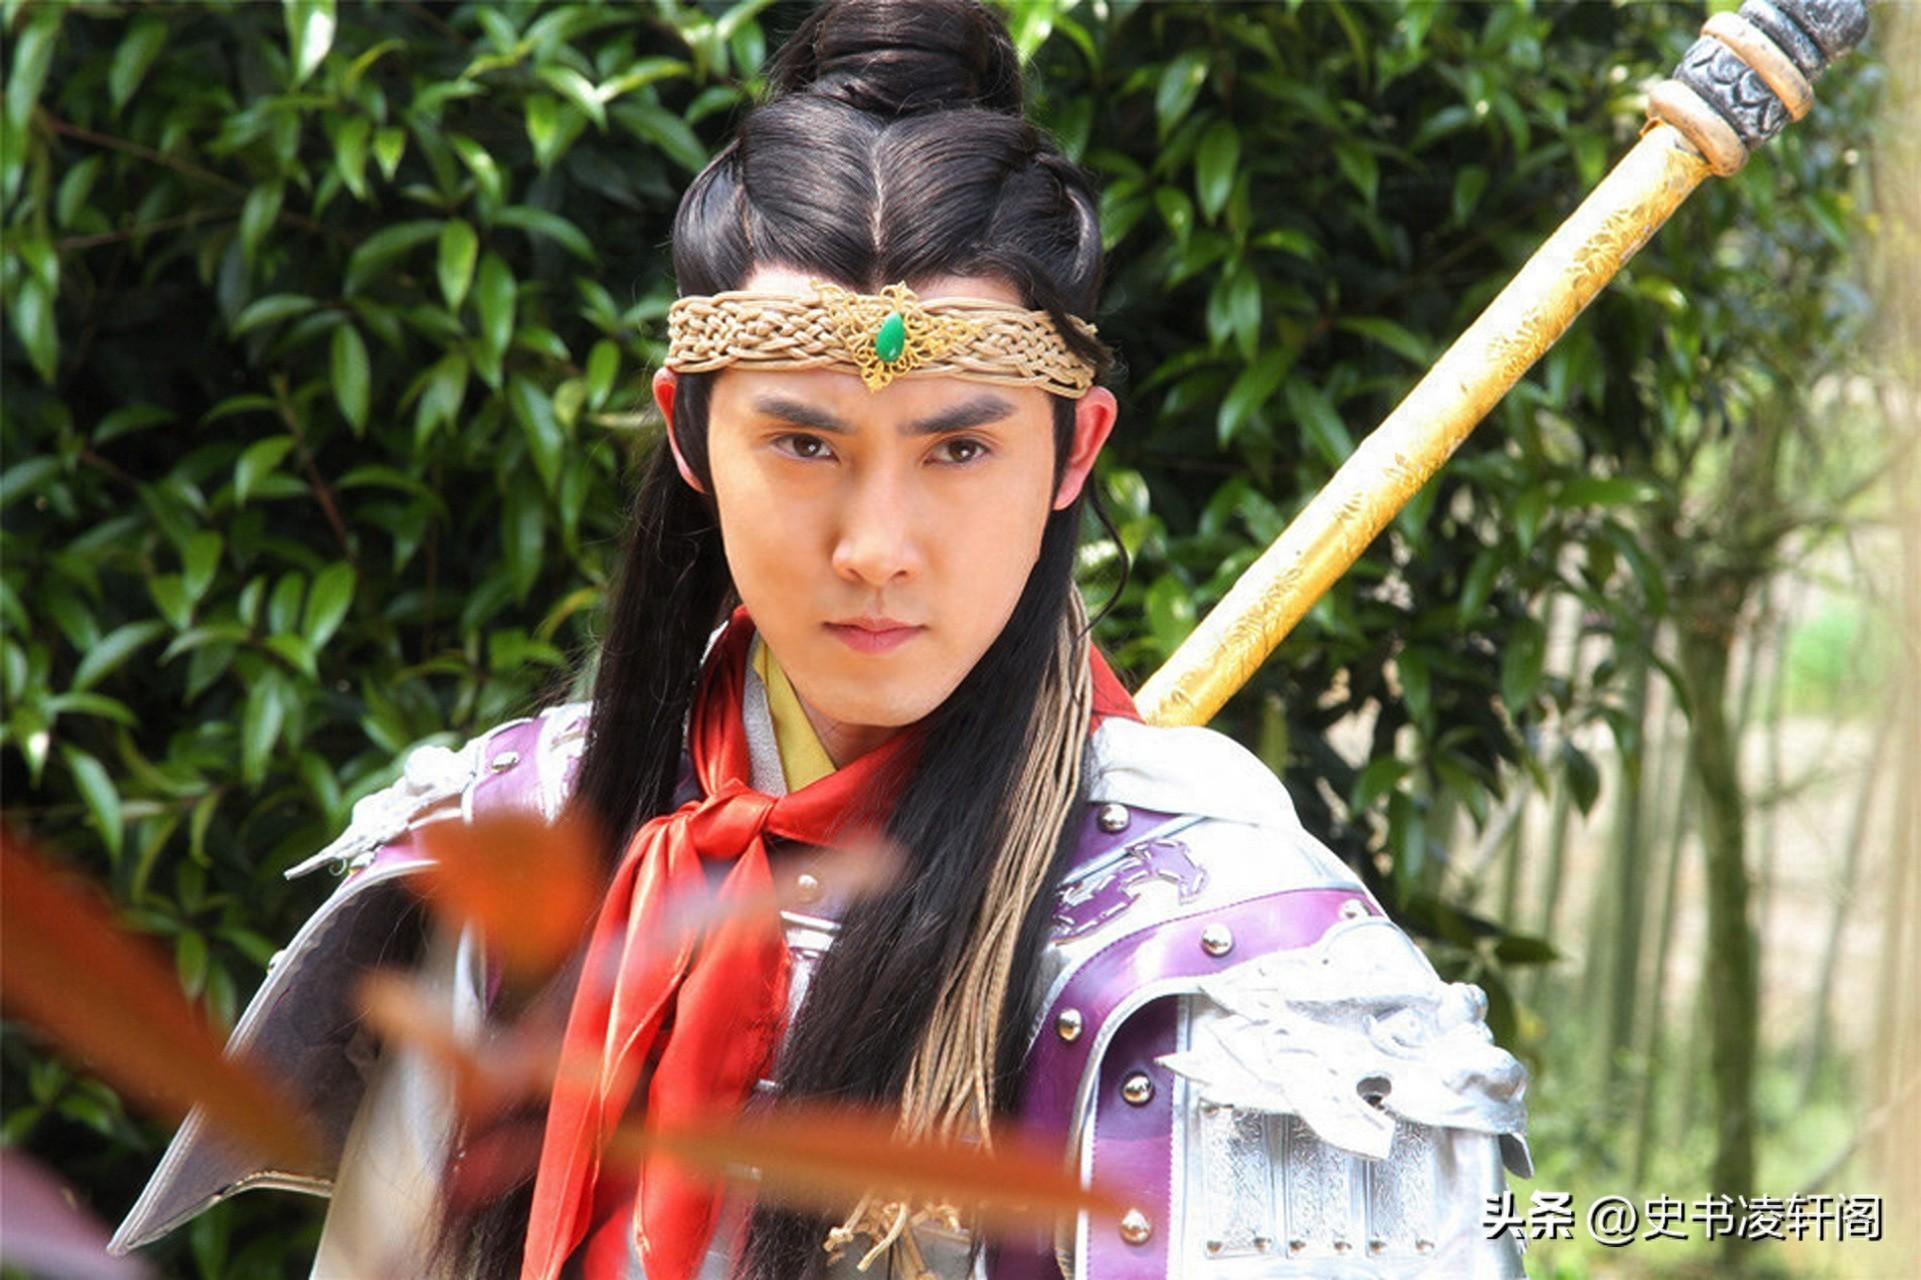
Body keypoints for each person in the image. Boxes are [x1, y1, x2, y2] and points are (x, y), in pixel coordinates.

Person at [113, 2, 1530, 1277]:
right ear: (687, 436)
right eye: (802, 442)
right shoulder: (526, 837)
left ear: (1074, 451)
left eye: (959, 448)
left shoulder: (1234, 969)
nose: (875, 546)